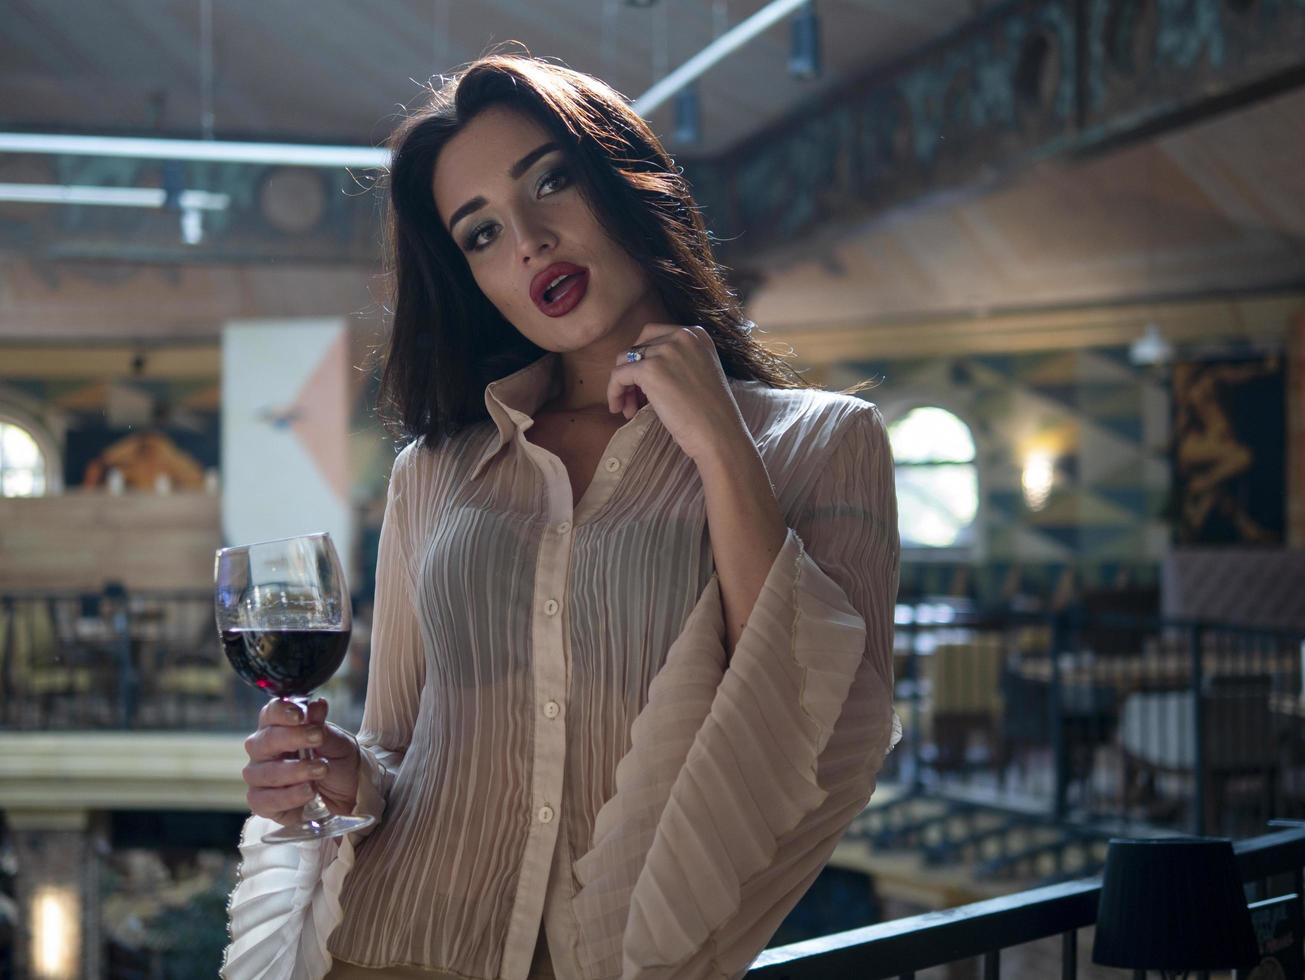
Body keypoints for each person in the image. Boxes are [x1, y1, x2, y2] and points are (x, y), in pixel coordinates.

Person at [222, 48, 901, 980]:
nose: (530, 239)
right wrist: (345, 773)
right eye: (481, 234)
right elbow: (397, 744)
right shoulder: (440, 468)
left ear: (625, 183)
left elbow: (819, 725)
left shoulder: (824, 443)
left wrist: (717, 444)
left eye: (551, 181)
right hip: (391, 949)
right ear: (472, 280)